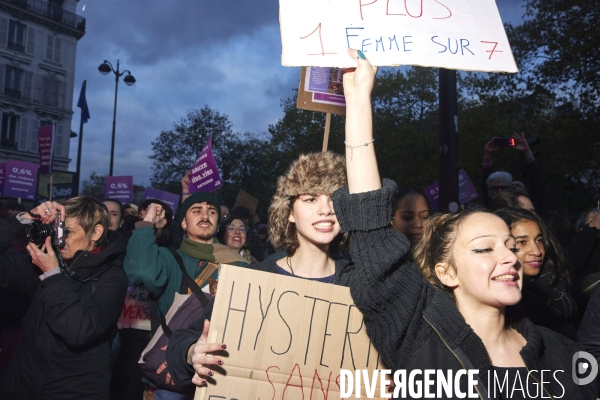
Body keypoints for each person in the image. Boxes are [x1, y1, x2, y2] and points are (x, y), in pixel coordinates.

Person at [330, 49, 596, 398]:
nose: (510, 258)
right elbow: (371, 227)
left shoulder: (562, 355)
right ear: (446, 272)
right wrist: (359, 98)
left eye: (510, 245)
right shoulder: (420, 339)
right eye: (484, 248)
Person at [165, 151, 353, 388]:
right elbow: (182, 340)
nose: (326, 210)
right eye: (311, 199)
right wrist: (194, 352)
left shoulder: (357, 282)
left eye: (334, 198)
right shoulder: (255, 278)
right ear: (290, 213)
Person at [0, 197, 128, 399]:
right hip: (21, 386)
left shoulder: (112, 278)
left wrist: (52, 275)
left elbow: (78, 332)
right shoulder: (40, 264)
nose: (59, 238)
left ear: (96, 232)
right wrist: (23, 219)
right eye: (56, 230)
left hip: (73, 392)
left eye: (67, 232)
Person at [124, 191, 247, 400]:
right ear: (183, 223)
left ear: (218, 224)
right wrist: (147, 222)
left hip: (218, 376)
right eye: (196, 210)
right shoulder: (168, 258)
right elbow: (139, 272)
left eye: (211, 211)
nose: (205, 215)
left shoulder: (238, 266)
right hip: (170, 381)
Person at [494, 207, 577, 336]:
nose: (537, 251)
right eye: (521, 242)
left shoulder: (558, 280)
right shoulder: (497, 303)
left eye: (539, 240)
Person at [481, 133, 547, 216]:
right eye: (494, 188)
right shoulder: (491, 211)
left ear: (511, 189)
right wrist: (487, 155)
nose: (499, 192)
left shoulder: (525, 211)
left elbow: (538, 185)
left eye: (504, 188)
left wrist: (527, 151)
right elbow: (486, 181)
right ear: (489, 192)